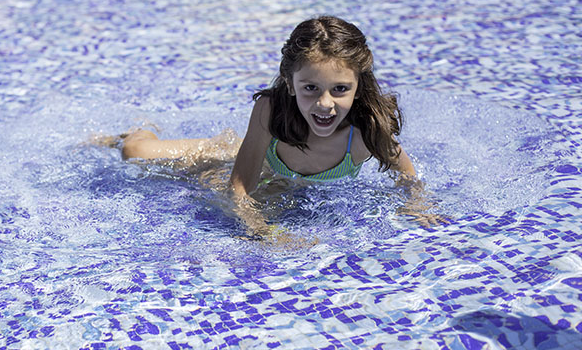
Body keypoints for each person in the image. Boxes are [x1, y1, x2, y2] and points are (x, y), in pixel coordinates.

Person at [114, 17, 436, 238]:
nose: (325, 104)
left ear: (357, 86)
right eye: (311, 88)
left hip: (285, 183)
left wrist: (416, 204)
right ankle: (143, 128)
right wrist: (265, 232)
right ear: (290, 84)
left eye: (340, 89)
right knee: (134, 152)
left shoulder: (366, 129)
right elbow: (238, 188)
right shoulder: (271, 110)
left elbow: (406, 172)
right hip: (246, 161)